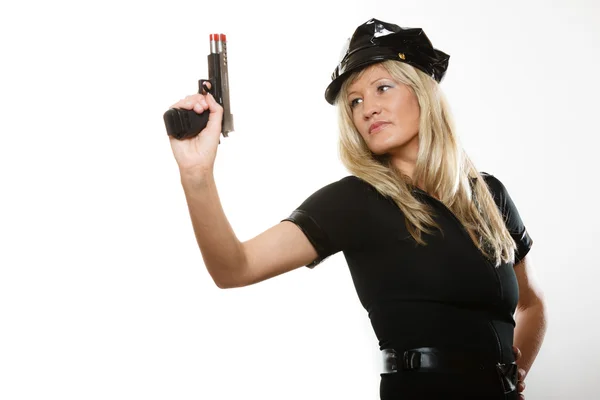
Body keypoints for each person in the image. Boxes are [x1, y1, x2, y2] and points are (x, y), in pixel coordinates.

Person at [167, 18, 547, 400]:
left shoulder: (490, 195)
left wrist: (517, 371)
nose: (368, 109)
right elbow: (235, 268)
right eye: (356, 101)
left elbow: (532, 304)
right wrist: (196, 175)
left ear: (423, 93)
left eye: (383, 88)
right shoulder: (354, 201)